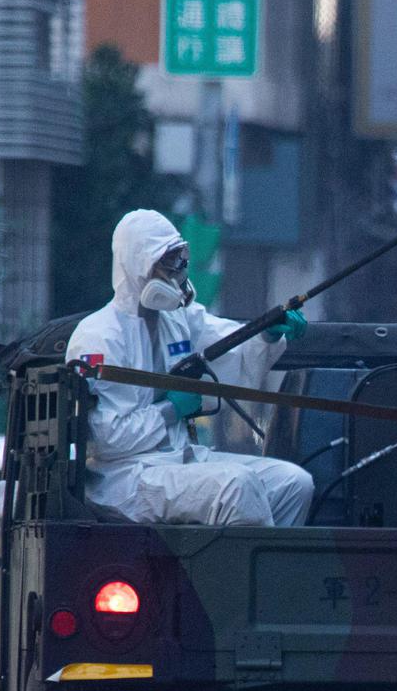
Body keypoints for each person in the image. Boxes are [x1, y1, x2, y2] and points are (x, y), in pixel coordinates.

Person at [66, 210, 313, 527]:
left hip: (180, 460)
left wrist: (266, 332)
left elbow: (230, 343)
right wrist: (171, 409)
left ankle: (273, 573)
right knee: (236, 486)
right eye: (166, 262)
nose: (177, 273)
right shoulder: (98, 337)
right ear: (138, 264)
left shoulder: (177, 318)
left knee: (293, 483)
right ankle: (245, 576)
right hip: (126, 476)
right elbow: (107, 439)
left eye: (179, 260)